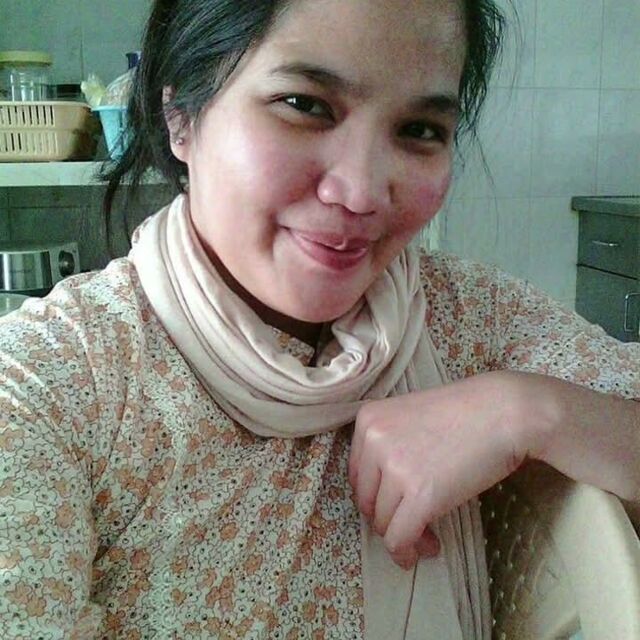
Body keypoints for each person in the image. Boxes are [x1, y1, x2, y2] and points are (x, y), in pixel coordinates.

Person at [1, 0, 638, 638]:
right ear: (181, 117)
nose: (360, 193)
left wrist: (530, 411)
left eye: (419, 129)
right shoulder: (53, 385)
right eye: (305, 105)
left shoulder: (470, 318)